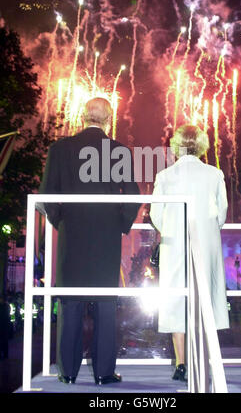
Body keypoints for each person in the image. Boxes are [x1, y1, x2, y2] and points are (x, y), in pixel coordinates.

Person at [40, 97, 140, 385]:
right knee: (106, 305)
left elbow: (47, 195)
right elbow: (132, 197)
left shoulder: (59, 149)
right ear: (109, 119)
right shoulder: (118, 151)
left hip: (72, 236)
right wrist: (119, 224)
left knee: (70, 303)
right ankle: (104, 373)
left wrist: (62, 222)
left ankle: (68, 372)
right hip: (106, 239)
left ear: (83, 117)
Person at [150, 124, 229, 382]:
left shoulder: (165, 176)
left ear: (177, 145)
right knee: (205, 297)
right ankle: (204, 359)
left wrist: (171, 228)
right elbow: (222, 213)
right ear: (202, 145)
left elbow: (156, 215)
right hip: (205, 245)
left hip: (174, 245)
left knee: (175, 300)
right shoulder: (214, 174)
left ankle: (181, 363)